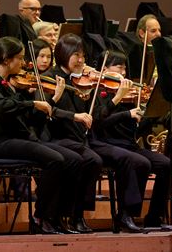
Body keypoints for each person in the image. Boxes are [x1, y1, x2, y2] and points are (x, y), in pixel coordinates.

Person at [0, 36, 81, 234]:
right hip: (0, 142)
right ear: (7, 59)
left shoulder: (10, 85)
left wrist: (42, 105)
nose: (24, 63)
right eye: (20, 58)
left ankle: (58, 216)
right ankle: (40, 216)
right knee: (56, 159)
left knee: (74, 159)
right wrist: (32, 102)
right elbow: (0, 107)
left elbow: (31, 122)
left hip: (18, 139)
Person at [90, 50, 172, 232]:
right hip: (105, 143)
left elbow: (137, 129)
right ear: (105, 68)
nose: (123, 72)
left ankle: (154, 216)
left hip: (128, 144)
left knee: (165, 163)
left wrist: (148, 113)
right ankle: (126, 214)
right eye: (119, 67)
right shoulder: (97, 91)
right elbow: (98, 122)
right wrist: (123, 108)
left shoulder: (131, 93)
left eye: (125, 68)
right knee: (138, 162)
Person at [45, 34, 103, 234]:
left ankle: (77, 215)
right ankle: (63, 214)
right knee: (88, 160)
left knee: (92, 161)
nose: (81, 60)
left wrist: (90, 94)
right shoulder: (49, 77)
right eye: (76, 55)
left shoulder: (79, 81)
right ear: (63, 54)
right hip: (55, 138)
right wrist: (75, 116)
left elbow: (93, 114)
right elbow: (49, 110)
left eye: (83, 55)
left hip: (76, 140)